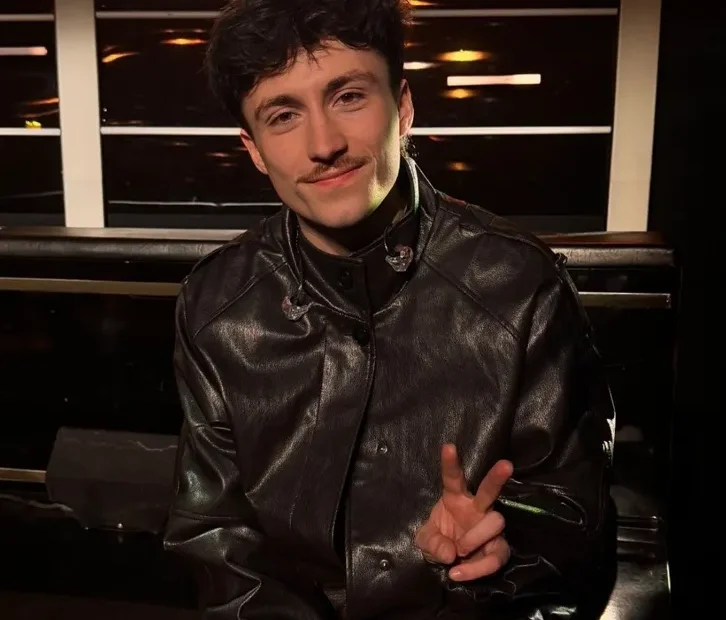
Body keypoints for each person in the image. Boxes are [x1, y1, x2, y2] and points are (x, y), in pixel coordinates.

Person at [163, 0, 616, 618]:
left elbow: (576, 530)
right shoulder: (216, 303)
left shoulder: (518, 285)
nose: (324, 144)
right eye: (284, 115)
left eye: (348, 96)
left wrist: (502, 558)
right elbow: (215, 543)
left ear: (402, 107)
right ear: (254, 148)